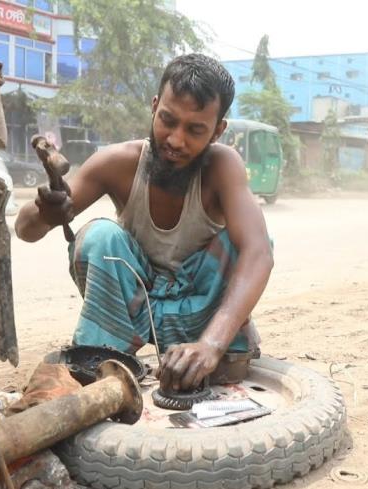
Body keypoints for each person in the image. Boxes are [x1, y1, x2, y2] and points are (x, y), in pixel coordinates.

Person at [14, 54, 273, 392]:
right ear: (154, 106)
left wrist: (211, 344)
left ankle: (212, 347)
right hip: (138, 307)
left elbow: (259, 253)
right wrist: (44, 212)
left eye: (195, 130)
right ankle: (104, 356)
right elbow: (25, 230)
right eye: (168, 120)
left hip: (203, 310)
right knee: (99, 236)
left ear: (218, 130)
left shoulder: (223, 166)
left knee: (249, 242)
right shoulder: (116, 163)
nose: (176, 140)